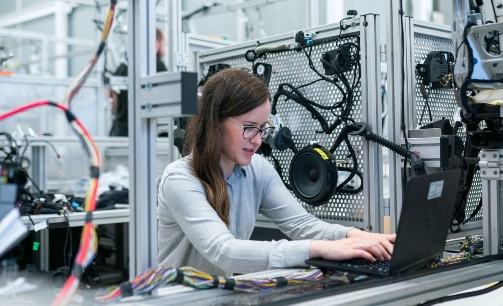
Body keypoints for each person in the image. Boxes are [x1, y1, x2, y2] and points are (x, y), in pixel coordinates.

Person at [158, 68, 395, 276]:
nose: (258, 140)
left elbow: (303, 225)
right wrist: (319, 249)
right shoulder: (181, 179)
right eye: (249, 128)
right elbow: (224, 251)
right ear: (215, 122)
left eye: (263, 129)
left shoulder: (258, 170)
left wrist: (357, 237)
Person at [108, 28, 167, 136]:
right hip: (142, 130)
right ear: (156, 43)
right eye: (165, 44)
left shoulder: (124, 65)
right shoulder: (157, 65)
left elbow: (111, 95)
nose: (165, 49)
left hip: (119, 130)